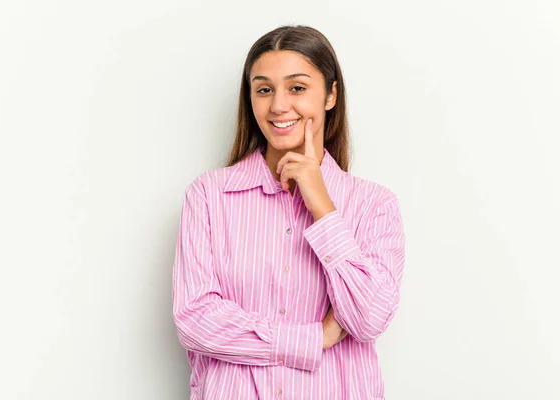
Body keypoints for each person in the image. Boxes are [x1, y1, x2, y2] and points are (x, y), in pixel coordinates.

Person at [172, 25, 405, 400]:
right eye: (264, 89)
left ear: (330, 95)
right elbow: (195, 320)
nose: (279, 106)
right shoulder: (209, 196)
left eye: (297, 88)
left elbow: (369, 318)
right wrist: (314, 338)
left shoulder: (373, 204)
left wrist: (322, 207)